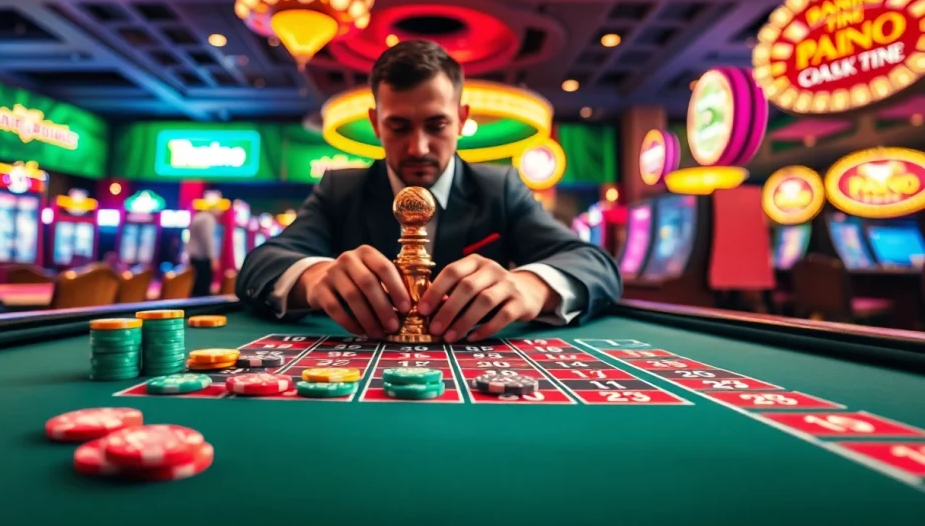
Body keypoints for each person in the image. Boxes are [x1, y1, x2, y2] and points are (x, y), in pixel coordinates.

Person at [237, 39, 622, 342]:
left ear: (462, 120)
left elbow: (596, 265)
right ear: (375, 123)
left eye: (436, 125)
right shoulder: (341, 189)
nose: (418, 147)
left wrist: (531, 287)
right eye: (399, 126)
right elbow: (259, 264)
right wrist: (315, 278)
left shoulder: (499, 188)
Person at [186, 206, 220, 297]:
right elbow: (207, 240)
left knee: (195, 289)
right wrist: (212, 258)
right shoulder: (208, 219)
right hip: (203, 259)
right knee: (203, 292)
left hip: (194, 257)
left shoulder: (197, 217)